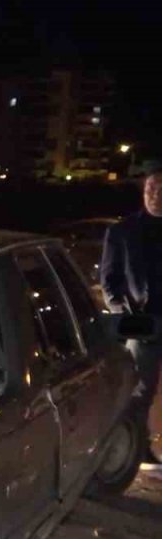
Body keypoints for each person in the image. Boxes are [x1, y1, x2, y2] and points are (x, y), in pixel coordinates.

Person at [101, 172, 162, 447]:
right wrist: (126, 316)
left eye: (161, 188)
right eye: (151, 187)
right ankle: (136, 447)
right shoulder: (123, 231)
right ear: (143, 191)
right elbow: (110, 282)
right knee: (140, 390)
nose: (155, 194)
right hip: (143, 324)